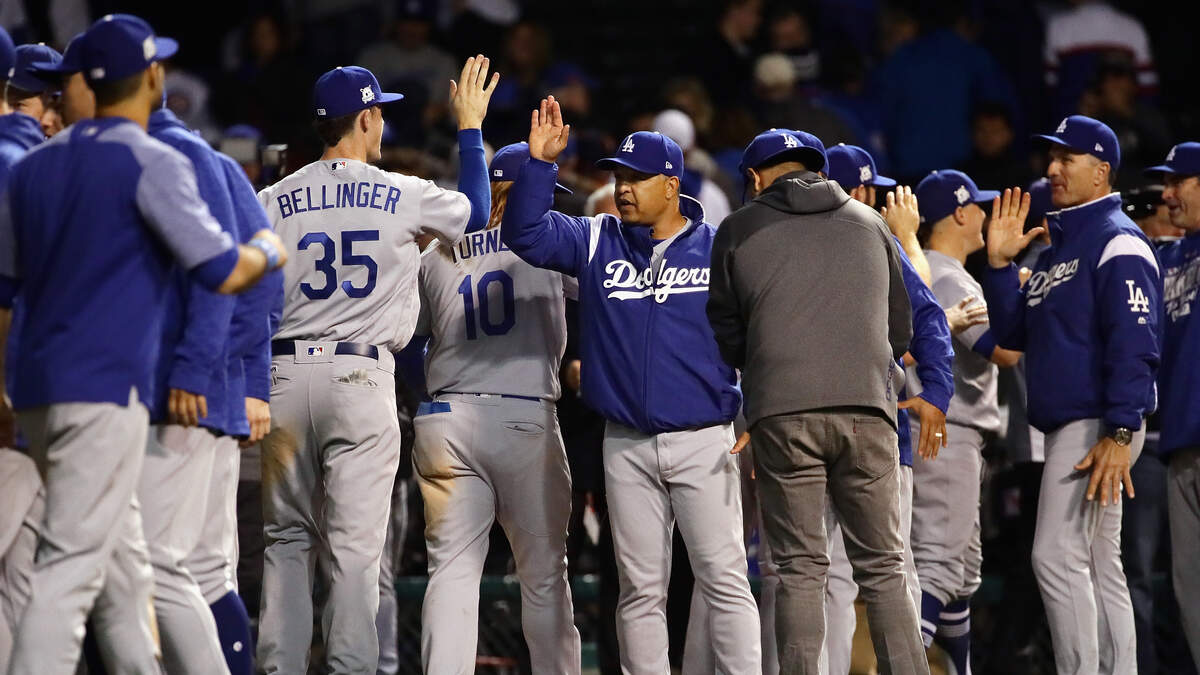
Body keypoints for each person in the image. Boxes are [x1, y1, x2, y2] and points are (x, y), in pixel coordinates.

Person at [1, 14, 286, 674]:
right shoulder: (151, 158)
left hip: (37, 388)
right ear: (152, 76)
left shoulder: (34, 165)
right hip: (103, 388)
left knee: (129, 569)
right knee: (69, 567)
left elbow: (4, 296)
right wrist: (267, 249)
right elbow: (222, 272)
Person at [502, 97, 761, 674]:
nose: (623, 189)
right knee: (640, 590)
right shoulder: (598, 239)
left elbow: (763, 335)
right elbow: (526, 234)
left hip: (704, 440)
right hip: (625, 443)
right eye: (618, 177)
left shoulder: (720, 246)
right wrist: (540, 166)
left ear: (671, 185)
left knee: (724, 580)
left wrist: (762, 410)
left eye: (636, 179)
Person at [255, 56, 494, 673]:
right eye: (379, 112)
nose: (383, 122)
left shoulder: (271, 198)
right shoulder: (401, 193)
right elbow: (476, 210)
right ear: (364, 118)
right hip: (359, 377)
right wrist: (470, 128)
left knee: (285, 542)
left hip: (283, 377)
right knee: (355, 548)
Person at [707, 127, 927, 674]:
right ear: (818, 169)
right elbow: (901, 328)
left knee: (801, 570)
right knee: (884, 569)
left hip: (784, 415)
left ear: (755, 178)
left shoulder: (738, 227)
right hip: (868, 412)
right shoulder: (871, 222)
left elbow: (727, 333)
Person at [983, 114, 1162, 675]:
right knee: (1096, 560)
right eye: (1052, 156)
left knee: (1056, 556)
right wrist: (999, 267)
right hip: (1082, 423)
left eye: (1068, 158)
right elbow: (1013, 335)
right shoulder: (1062, 247)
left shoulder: (1117, 240)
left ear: (1101, 171)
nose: (1053, 167)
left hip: (1098, 422)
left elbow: (1136, 342)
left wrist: (1121, 429)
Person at [413, 141, 581, 673]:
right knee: (544, 576)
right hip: (522, 418)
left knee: (451, 574)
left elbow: (407, 339)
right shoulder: (549, 244)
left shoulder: (437, 253)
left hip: (446, 418)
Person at [909, 169, 1024, 674]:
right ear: (958, 214)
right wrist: (1019, 293)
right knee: (938, 566)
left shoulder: (933, 269)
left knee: (960, 574)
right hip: (946, 434)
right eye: (978, 205)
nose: (984, 214)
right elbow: (1006, 352)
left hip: (946, 435)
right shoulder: (947, 274)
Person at [1145, 142, 1200, 672]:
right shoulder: (1171, 258)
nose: (1167, 194)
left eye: (1178, 181)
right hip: (1181, 446)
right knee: (1191, 599)